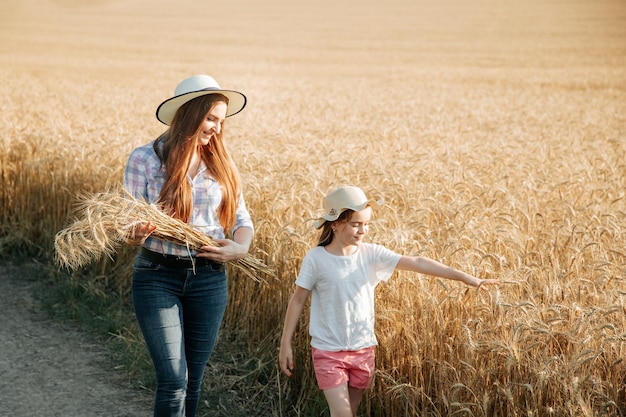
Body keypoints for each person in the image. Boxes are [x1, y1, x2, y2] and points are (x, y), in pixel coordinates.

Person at [279, 186, 499, 417]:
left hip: (363, 348)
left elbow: (418, 262)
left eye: (366, 224)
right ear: (334, 223)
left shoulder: (371, 254)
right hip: (328, 350)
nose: (363, 230)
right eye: (355, 224)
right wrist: (286, 343)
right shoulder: (316, 259)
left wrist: (467, 278)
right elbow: (298, 300)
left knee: (350, 414)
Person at [122, 74, 253, 417]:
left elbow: (241, 221)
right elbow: (126, 226)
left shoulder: (221, 163)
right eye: (211, 118)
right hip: (157, 276)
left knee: (193, 379)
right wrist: (135, 232)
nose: (216, 129)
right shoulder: (145, 160)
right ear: (189, 114)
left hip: (209, 279)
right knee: (173, 378)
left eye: (221, 121)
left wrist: (240, 248)